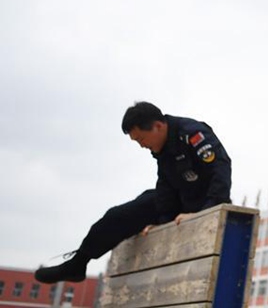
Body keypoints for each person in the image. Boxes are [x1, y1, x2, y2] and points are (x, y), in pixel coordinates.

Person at [34, 101, 232, 284]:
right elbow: (165, 184)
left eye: (142, 138)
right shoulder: (161, 145)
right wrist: (163, 223)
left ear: (158, 126)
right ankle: (78, 263)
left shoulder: (192, 133)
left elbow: (220, 169)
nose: (142, 145)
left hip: (205, 204)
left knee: (154, 199)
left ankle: (78, 263)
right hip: (180, 200)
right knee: (120, 214)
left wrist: (205, 213)